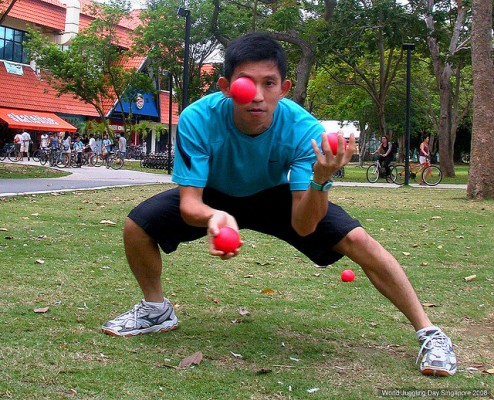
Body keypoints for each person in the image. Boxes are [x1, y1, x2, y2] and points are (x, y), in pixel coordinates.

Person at [101, 32, 456, 377]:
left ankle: (430, 332)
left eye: (269, 83)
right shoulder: (198, 119)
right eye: (245, 83)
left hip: (275, 194)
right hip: (215, 193)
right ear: (225, 87)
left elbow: (304, 225)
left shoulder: (304, 131)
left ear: (284, 89)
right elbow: (190, 204)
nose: (257, 95)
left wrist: (320, 179)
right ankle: (156, 309)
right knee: (138, 226)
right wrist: (214, 216)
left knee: (359, 241)